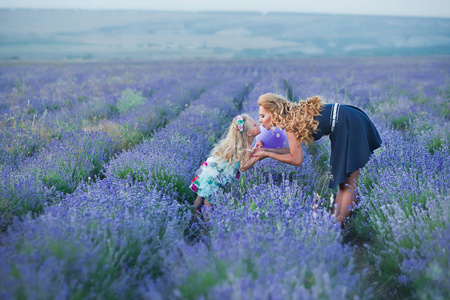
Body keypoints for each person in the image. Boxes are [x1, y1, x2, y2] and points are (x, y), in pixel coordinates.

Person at [253, 93, 382, 228]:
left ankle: (336, 230)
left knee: (348, 184)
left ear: (274, 113)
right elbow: (293, 151)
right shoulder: (291, 118)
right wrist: (266, 152)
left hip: (348, 122)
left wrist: (267, 153)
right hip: (348, 118)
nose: (260, 120)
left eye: (263, 116)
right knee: (344, 184)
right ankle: (334, 225)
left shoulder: (289, 124)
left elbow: (296, 159)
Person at [189, 114, 262, 221]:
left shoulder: (240, 144)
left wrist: (254, 150)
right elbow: (243, 167)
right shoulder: (247, 148)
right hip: (216, 178)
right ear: (249, 133)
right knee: (209, 202)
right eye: (255, 125)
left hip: (210, 172)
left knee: (200, 196)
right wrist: (258, 156)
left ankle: (193, 220)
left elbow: (245, 158)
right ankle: (206, 228)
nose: (258, 124)